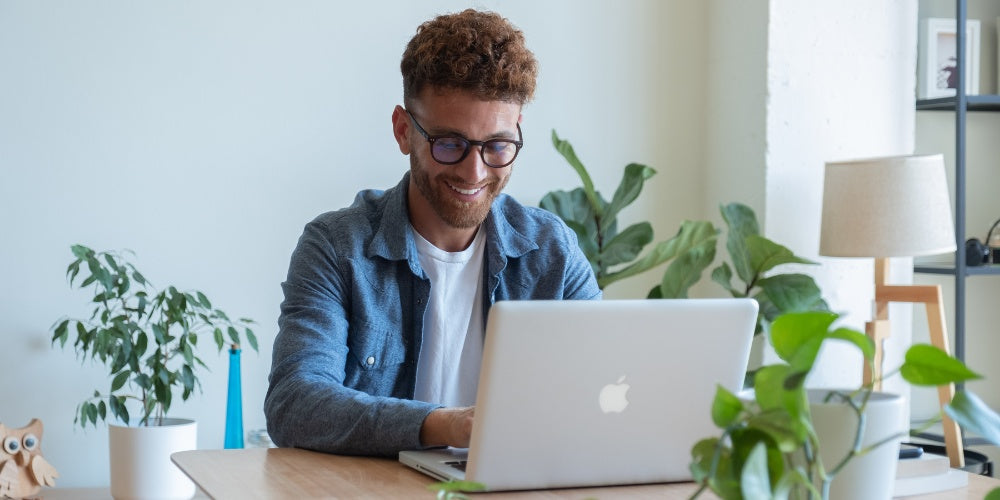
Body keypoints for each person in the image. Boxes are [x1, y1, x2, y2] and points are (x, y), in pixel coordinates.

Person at [264, 8, 601, 457]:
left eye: (497, 145)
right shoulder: (337, 248)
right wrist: (445, 425)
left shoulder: (552, 252)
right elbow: (295, 403)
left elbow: (604, 387)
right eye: (450, 144)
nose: (475, 170)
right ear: (404, 131)